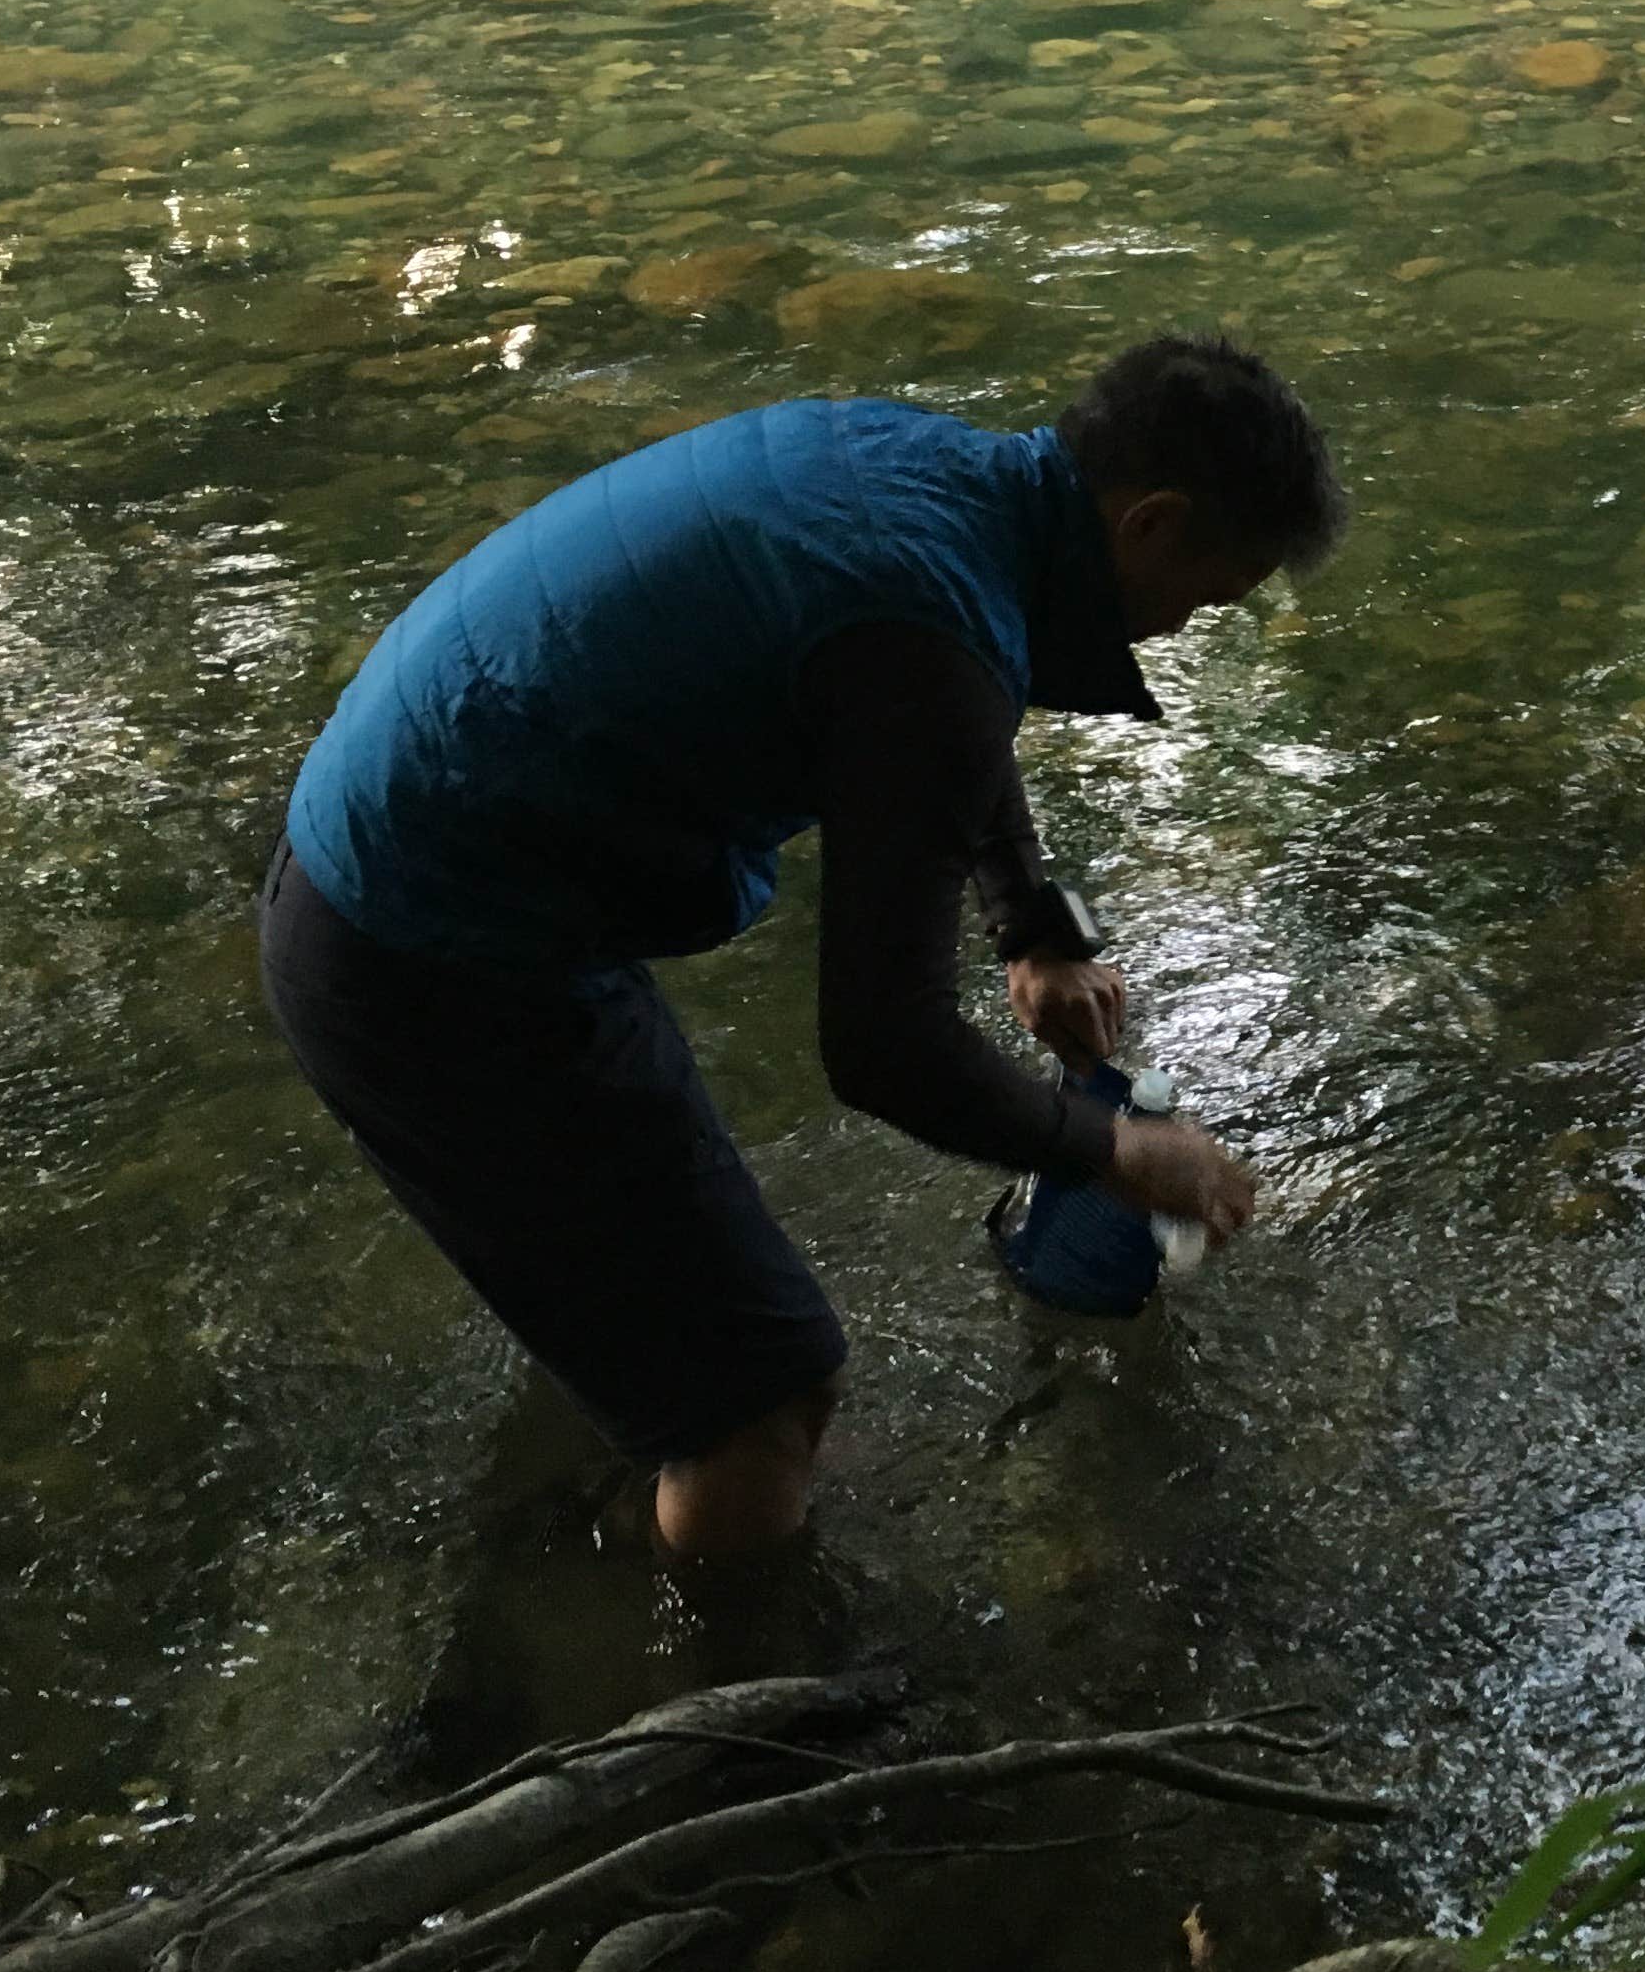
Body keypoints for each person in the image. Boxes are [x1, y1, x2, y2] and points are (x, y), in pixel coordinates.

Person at [259, 336, 1343, 1558]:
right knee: (767, 1396)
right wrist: (1119, 1151)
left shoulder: (937, 472)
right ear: (1150, 523)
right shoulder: (934, 638)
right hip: (433, 959)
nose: (1181, 631)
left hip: (385, 860)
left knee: (661, 1332)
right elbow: (882, 1046)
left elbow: (952, 689)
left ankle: (588, 1552)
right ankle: (743, 1717)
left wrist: (1030, 927)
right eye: (1203, 600)